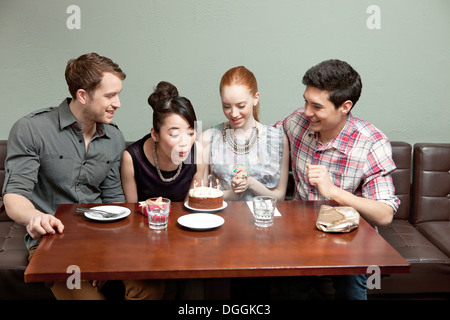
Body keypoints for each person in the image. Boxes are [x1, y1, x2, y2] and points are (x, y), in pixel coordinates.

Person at [2, 52, 127, 299]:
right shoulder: (31, 129)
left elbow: (115, 199)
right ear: (82, 95)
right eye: (110, 95)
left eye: (118, 94)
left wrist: (109, 253)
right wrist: (35, 218)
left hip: (99, 238)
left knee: (149, 287)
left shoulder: (114, 138)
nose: (118, 103)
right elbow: (14, 196)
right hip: (53, 243)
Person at [277, 59, 400, 300]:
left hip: (349, 238)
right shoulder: (296, 123)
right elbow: (263, 139)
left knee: (351, 293)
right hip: (298, 233)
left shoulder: (372, 143)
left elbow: (384, 215)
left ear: (345, 106)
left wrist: (333, 191)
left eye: (316, 106)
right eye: (305, 101)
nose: (306, 112)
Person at [120, 81, 205, 299]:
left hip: (184, 234)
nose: (184, 143)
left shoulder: (198, 155)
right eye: (174, 134)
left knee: (196, 280)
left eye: (190, 132)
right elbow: (130, 214)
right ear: (155, 134)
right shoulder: (132, 158)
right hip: (143, 237)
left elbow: (192, 208)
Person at [201, 66, 290, 202]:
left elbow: (280, 196)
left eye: (241, 106)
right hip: (221, 219)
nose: (234, 113)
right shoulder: (208, 138)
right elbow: (199, 193)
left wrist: (251, 183)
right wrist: (232, 194)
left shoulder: (277, 139)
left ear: (255, 98)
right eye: (226, 106)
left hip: (264, 220)